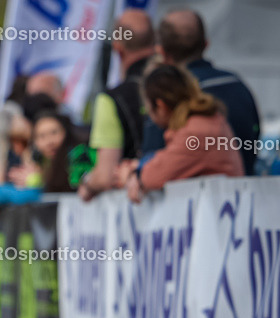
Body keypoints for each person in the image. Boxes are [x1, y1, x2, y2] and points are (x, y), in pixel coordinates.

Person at [142, 9, 260, 175]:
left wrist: (135, 173)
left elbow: (151, 159)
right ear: (206, 44)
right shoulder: (237, 84)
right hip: (245, 192)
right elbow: (255, 140)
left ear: (161, 52)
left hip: (186, 196)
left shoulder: (168, 95)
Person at [125, 64, 242, 203]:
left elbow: (156, 175)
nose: (149, 115)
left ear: (161, 106)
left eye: (148, 109)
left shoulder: (195, 132)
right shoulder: (206, 122)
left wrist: (133, 174)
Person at [78, 9, 156, 200]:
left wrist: (87, 182)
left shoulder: (111, 99)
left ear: (117, 47)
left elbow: (104, 176)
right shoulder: (182, 84)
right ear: (155, 44)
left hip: (140, 209)